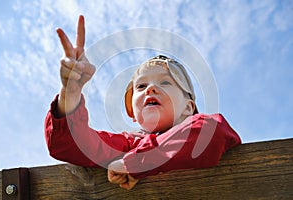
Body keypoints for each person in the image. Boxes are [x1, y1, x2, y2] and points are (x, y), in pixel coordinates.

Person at [44, 15, 241, 190]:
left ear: (188, 107)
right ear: (133, 112)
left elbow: (211, 131)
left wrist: (137, 163)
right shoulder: (129, 144)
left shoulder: (137, 154)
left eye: (164, 82)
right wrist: (70, 92)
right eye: (140, 87)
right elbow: (66, 145)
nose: (150, 89)